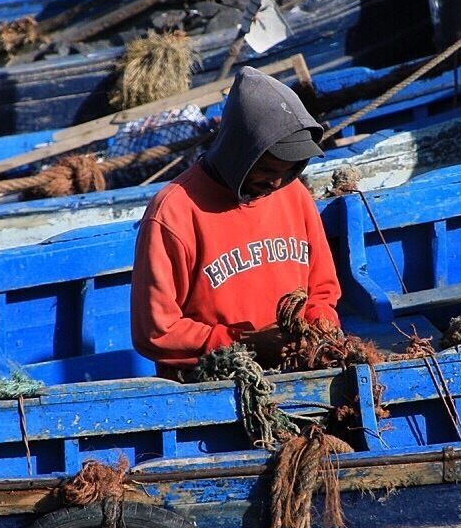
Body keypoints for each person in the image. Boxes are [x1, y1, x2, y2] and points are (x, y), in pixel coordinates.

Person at [131, 67, 342, 376]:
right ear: (239, 154)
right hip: (210, 384)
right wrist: (245, 344)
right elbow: (156, 331)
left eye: (291, 169)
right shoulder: (173, 213)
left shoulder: (294, 194)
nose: (276, 181)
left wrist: (318, 329)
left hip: (295, 371)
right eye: (268, 169)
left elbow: (322, 291)